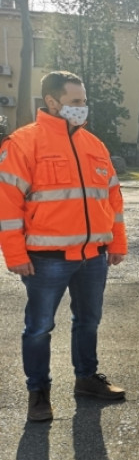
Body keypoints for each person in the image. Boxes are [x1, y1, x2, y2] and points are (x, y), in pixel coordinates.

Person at [0, 71, 128, 423]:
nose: (82, 108)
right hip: (45, 260)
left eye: (84, 102)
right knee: (39, 328)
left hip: (93, 258)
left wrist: (116, 243)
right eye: (75, 102)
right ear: (52, 102)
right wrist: (15, 254)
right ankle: (38, 392)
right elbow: (7, 205)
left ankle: (86, 378)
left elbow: (112, 199)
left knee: (88, 321)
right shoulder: (23, 143)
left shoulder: (94, 145)